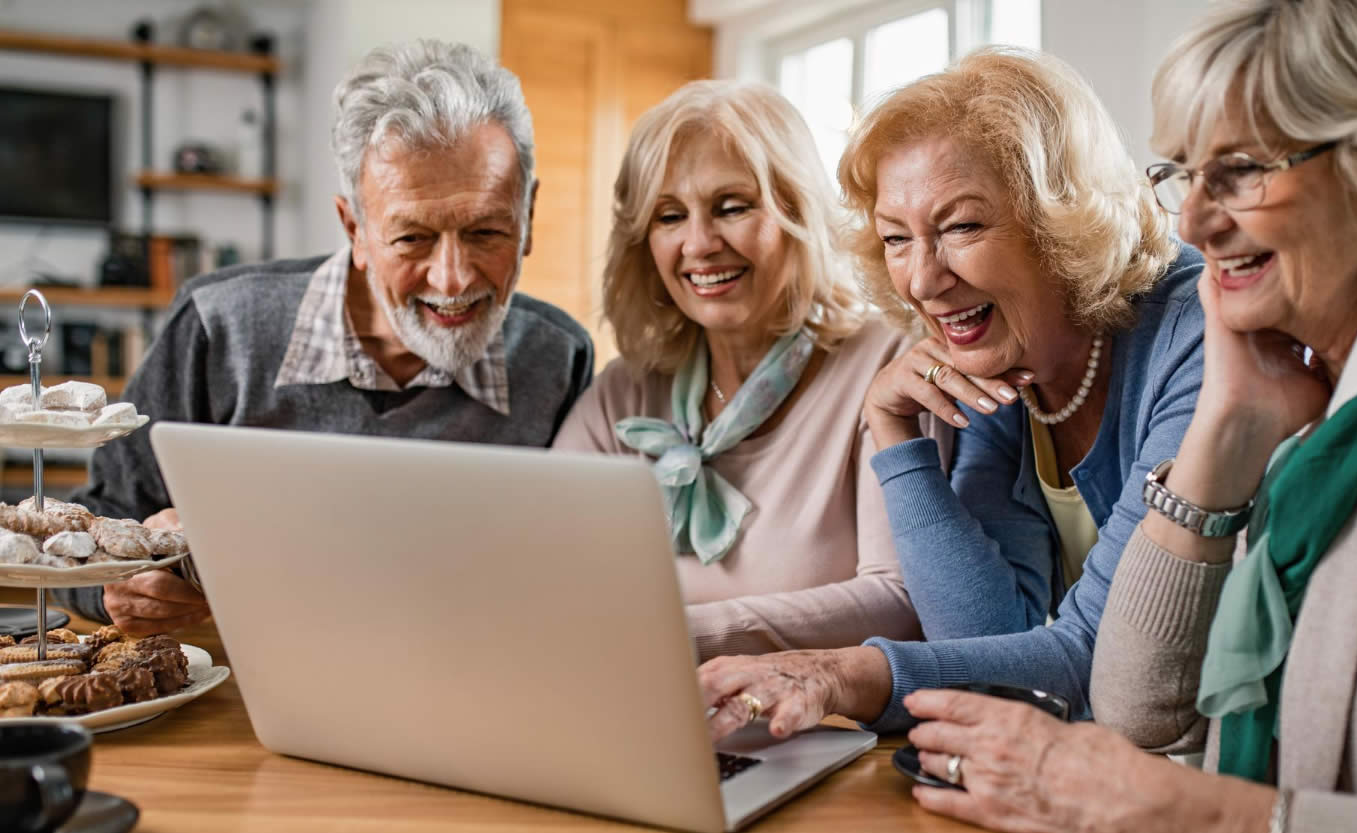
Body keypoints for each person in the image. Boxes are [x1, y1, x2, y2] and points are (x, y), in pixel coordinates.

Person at [890, 2, 1357, 831]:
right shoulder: (1328, 384)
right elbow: (1138, 704)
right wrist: (1226, 425)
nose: (1192, 220)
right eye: (1184, 172)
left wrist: (1185, 811)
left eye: (1243, 170)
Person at [697, 47, 1204, 737]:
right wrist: (893, 432)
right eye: (896, 238)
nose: (922, 279)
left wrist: (842, 673)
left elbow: (1096, 656)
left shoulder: (1192, 331)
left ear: (1061, 218)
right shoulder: (998, 363)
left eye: (961, 226)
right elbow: (991, 646)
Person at [55, 40, 594, 634]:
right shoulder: (221, 326)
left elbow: (573, 567)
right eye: (412, 238)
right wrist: (110, 585)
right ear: (354, 230)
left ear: (528, 218)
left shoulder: (558, 357)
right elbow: (94, 521)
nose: (454, 278)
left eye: (487, 230)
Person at [552, 81, 927, 659]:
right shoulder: (621, 396)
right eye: (669, 216)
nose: (699, 244)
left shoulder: (888, 365)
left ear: (798, 213)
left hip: (832, 733)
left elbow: (900, 601)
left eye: (732, 207)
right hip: (642, 716)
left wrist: (679, 636)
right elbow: (542, 576)